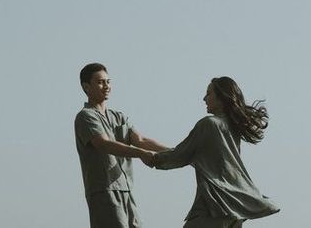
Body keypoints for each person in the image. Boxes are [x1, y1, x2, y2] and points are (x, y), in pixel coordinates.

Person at [151, 76, 280, 228]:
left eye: (209, 93)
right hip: (232, 213)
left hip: (213, 208)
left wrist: (149, 157)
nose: (204, 98)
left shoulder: (209, 124)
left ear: (222, 98)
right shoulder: (231, 127)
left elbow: (180, 155)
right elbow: (193, 154)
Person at [75, 62, 169, 228]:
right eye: (100, 82)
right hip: (104, 191)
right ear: (86, 87)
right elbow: (104, 144)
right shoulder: (85, 117)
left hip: (126, 189)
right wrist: (141, 154)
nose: (106, 86)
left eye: (108, 81)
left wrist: (177, 151)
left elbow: (141, 140)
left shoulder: (118, 117)